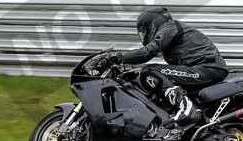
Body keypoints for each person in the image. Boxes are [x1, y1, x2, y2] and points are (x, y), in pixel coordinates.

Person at [91, 7, 229, 132]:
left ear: (153, 23)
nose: (144, 35)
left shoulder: (169, 27)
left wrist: (118, 57)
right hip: (203, 69)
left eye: (144, 31)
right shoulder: (171, 30)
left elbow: (148, 52)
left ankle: (187, 110)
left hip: (207, 69)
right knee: (151, 76)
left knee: (150, 71)